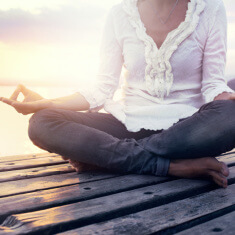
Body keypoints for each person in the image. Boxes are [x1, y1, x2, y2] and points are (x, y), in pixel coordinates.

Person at [1, 0, 235, 188]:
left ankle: (106, 157)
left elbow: (213, 85)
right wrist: (46, 102)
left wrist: (229, 100)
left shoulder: (210, 9)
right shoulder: (119, 14)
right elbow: (102, 88)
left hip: (186, 130)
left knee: (231, 114)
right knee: (42, 122)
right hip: (126, 122)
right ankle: (168, 166)